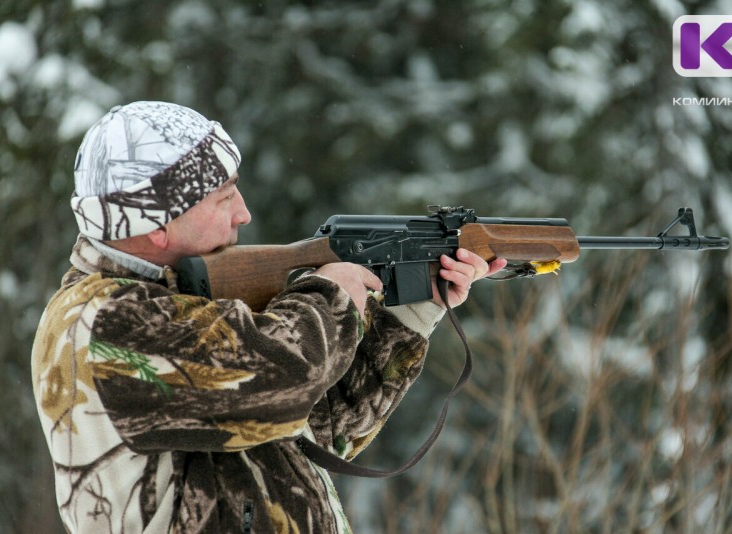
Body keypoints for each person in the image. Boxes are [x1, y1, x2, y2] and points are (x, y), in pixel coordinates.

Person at [31, 101, 506, 533]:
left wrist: (411, 308)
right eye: (224, 197)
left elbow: (317, 430)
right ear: (156, 222)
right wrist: (329, 293)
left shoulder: (185, 300)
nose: (244, 214)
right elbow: (285, 382)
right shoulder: (105, 322)